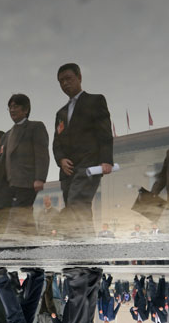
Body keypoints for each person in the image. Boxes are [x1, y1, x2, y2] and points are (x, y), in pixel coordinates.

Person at [52, 63, 114, 239]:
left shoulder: (95, 101)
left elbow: (105, 132)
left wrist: (106, 160)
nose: (65, 83)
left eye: (68, 79)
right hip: (68, 170)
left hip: (89, 164)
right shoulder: (61, 113)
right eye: (61, 81)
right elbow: (57, 143)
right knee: (76, 207)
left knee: (78, 203)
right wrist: (61, 160)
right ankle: (80, 251)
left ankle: (81, 251)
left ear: (79, 77)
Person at [0, 94, 50, 240]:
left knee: (16, 216)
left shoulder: (35, 127)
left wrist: (40, 178)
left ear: (26, 109)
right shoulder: (7, 135)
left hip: (27, 182)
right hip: (10, 185)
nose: (12, 110)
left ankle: (6, 251)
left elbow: (42, 154)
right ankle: (32, 249)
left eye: (16, 106)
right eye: (10, 107)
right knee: (23, 216)